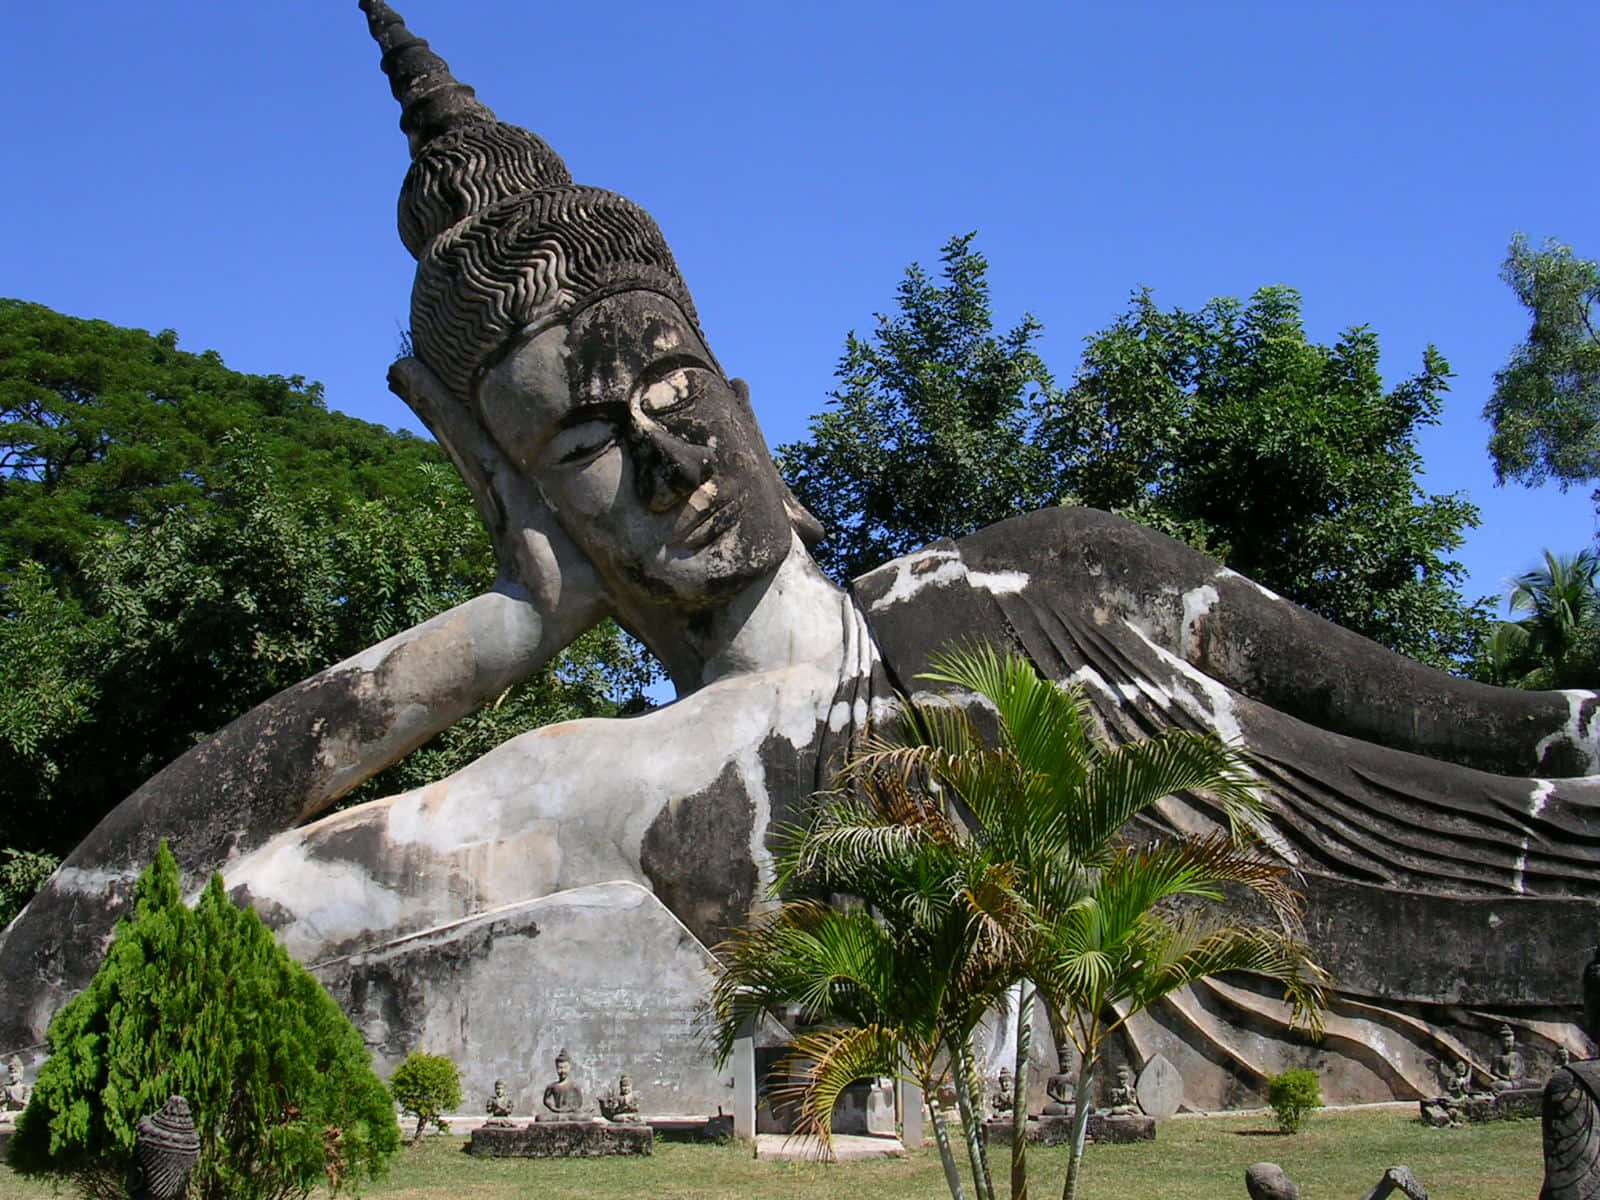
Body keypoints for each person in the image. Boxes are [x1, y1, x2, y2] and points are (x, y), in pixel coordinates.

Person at [3, 0, 1599, 1112]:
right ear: (538, 506)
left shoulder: (1054, 571)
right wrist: (500, 629)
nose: (670, 455)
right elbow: (60, 981)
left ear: (743, 393)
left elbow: (1496, 735)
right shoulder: (610, 784)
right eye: (589, 446)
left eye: (680, 387)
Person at [538, 1051, 583, 1122]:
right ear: (556, 1068)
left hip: (569, 1113)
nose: (562, 1071)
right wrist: (554, 1108)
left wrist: (570, 1109)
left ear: (569, 1067)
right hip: (556, 1113)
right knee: (540, 1118)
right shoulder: (552, 1086)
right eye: (560, 1068)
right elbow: (546, 1100)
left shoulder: (574, 1086)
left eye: (565, 1067)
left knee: (585, 1117)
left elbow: (579, 1102)